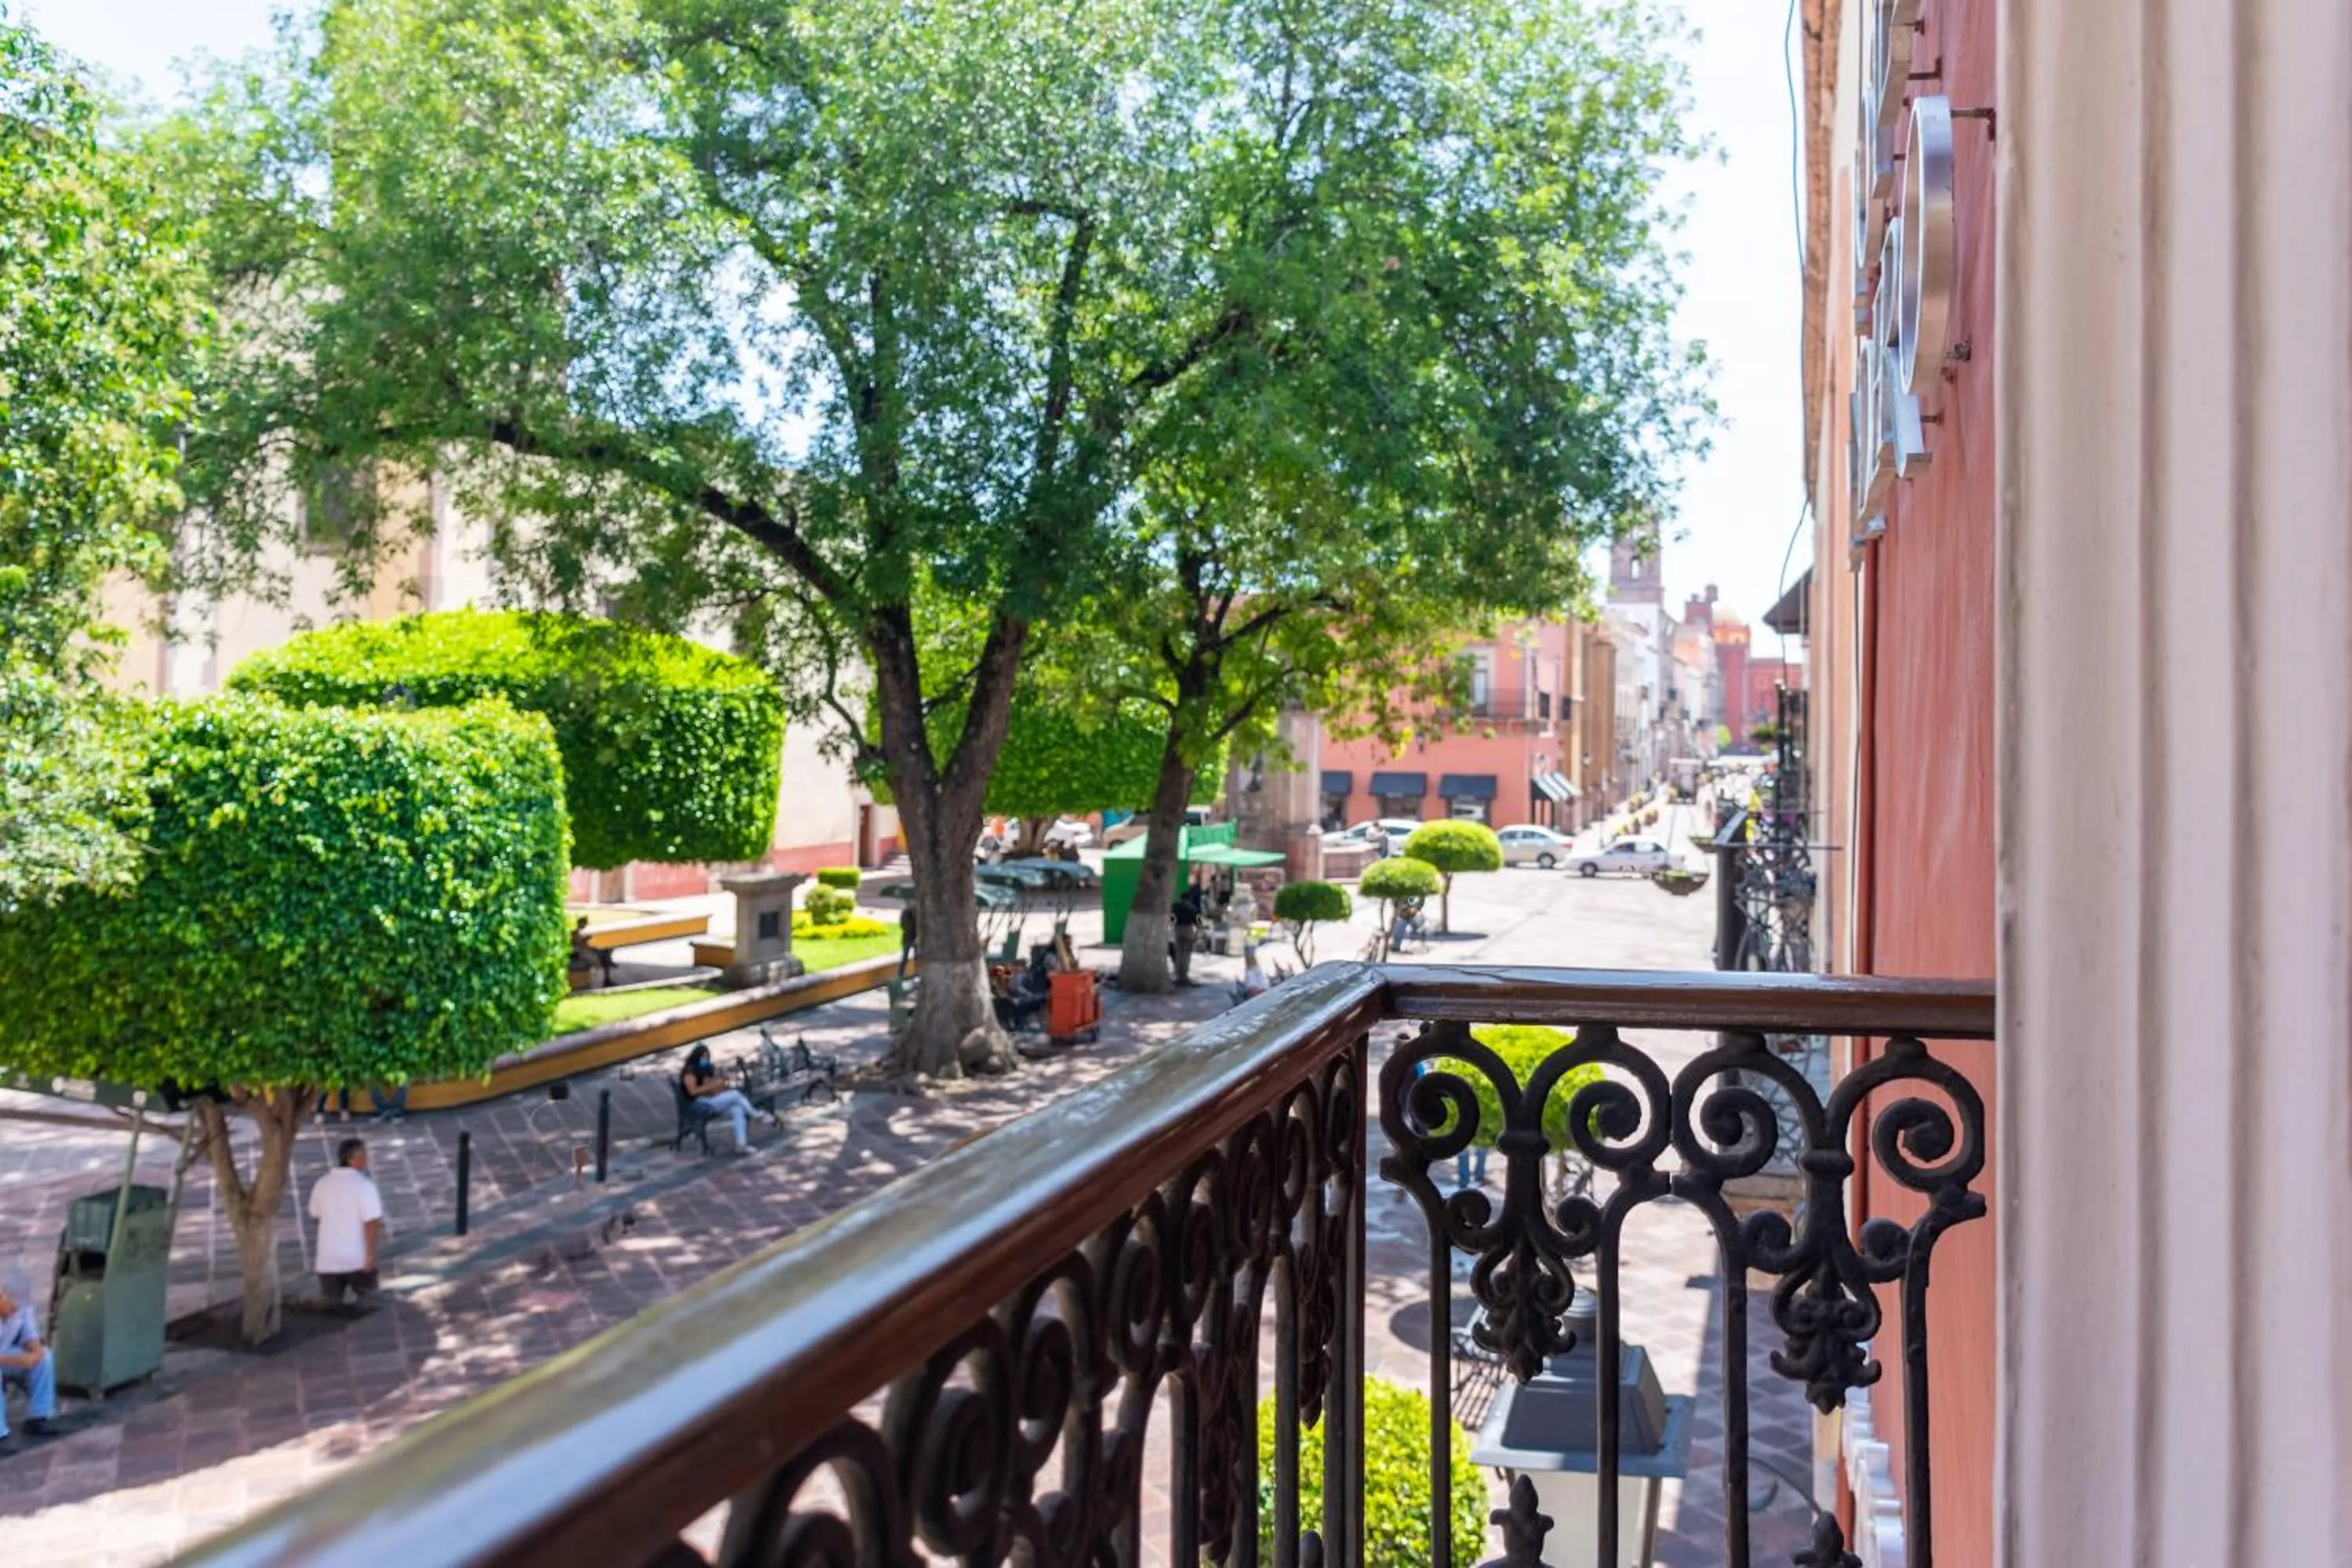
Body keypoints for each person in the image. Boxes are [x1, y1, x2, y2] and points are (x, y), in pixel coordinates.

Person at [309, 1139, 385, 1304]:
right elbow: (371, 1223)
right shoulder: (365, 1186)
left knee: (331, 1309)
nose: (367, 1159)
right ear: (353, 1160)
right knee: (371, 1307)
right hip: (356, 1259)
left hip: (327, 1261)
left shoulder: (322, 1184)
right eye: (364, 1155)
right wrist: (370, 1255)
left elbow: (316, 1216)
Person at [681, 1044, 774, 1154]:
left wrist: (720, 1084)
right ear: (697, 1057)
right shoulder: (690, 1072)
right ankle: (755, 1114)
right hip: (700, 1104)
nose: (706, 1060)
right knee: (735, 1094)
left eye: (707, 1058)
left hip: (712, 1099)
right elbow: (693, 1091)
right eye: (704, 1058)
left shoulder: (705, 1070)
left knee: (738, 1109)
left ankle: (741, 1144)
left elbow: (711, 1088)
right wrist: (711, 1086)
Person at [0, 1271, 56, 1442]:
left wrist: (37, 1353)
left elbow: (30, 1335)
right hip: (5, 1358)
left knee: (45, 1359)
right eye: (12, 1306)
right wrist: (19, 1360)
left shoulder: (22, 1306)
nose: (16, 1310)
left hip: (5, 1354)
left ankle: (38, 1417)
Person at [1171, 883, 1203, 985]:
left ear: (1181, 898)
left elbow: (1172, 918)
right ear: (1189, 899)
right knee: (1186, 954)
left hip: (1178, 929)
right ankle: (1184, 975)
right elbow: (1198, 921)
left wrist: (1171, 928)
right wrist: (1199, 932)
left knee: (1179, 953)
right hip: (1188, 930)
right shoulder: (1193, 908)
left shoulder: (1175, 907)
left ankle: (1178, 974)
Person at [897, 902, 918, 979]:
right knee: (905, 958)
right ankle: (900, 975)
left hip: (912, 938)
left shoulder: (914, 912)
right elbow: (905, 926)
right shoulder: (907, 913)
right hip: (909, 938)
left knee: (915, 958)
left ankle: (916, 973)